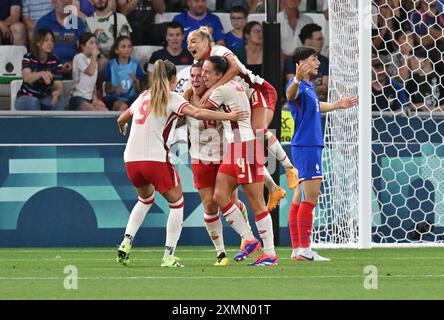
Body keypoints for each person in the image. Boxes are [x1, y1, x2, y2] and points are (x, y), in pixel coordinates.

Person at [115, 59, 249, 267]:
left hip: (131, 160)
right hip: (155, 159)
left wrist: (123, 125)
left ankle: (126, 243)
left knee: (144, 200)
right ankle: (168, 256)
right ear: (174, 79)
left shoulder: (143, 96)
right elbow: (197, 112)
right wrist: (228, 116)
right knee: (177, 204)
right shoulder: (171, 97)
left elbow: (122, 118)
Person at [187, 27, 298, 212]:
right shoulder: (201, 62)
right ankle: (273, 188)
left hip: (257, 89)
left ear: (206, 42)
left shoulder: (219, 51)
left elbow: (236, 68)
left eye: (193, 41)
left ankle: (289, 168)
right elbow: (195, 83)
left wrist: (214, 88)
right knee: (247, 144)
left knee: (258, 130)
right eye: (188, 41)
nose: (189, 45)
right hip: (240, 99)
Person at [202, 56, 279, 266]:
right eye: (202, 71)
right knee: (219, 195)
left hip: (244, 146)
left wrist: (191, 93)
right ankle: (250, 239)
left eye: (207, 72)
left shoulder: (221, 90)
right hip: (236, 147)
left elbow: (199, 110)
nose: (203, 75)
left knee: (256, 202)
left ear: (219, 75)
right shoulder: (235, 84)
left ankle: (270, 254)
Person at [286, 46, 357, 261]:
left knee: (300, 196)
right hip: (307, 146)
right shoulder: (297, 85)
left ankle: (298, 249)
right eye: (314, 59)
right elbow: (290, 94)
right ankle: (305, 249)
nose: (318, 63)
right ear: (301, 63)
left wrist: (336, 105)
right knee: (312, 196)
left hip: (308, 145)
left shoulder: (308, 87)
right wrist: (297, 79)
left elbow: (316, 106)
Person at [186, 62, 250, 265]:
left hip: (224, 155)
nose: (197, 79)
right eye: (193, 76)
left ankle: (247, 238)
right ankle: (221, 253)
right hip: (200, 158)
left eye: (200, 75)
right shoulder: (185, 98)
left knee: (227, 201)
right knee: (209, 204)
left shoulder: (218, 94)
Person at [15, 28, 65, 111]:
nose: (50, 43)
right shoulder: (28, 58)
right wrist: (41, 74)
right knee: (34, 102)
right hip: (25, 97)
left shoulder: (56, 61)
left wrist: (57, 92)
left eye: (52, 41)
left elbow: (58, 84)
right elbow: (27, 78)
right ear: (38, 43)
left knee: (59, 101)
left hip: (44, 97)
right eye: (46, 40)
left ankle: (56, 124)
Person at [35, 0, 86, 80]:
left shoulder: (78, 23)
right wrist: (55, 65)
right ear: (53, 1)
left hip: (74, 70)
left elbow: (84, 49)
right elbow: (38, 50)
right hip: (49, 69)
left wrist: (73, 63)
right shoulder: (43, 22)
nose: (65, 1)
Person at [283, 23, 329, 102]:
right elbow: (294, 88)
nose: (322, 42)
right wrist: (316, 88)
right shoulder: (291, 60)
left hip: (319, 103)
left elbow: (325, 88)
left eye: (322, 39)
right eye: (319, 39)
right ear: (308, 42)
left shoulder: (324, 60)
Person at [104, 35, 145, 110]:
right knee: (123, 106)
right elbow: (106, 89)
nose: (127, 49)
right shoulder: (111, 65)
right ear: (116, 50)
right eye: (123, 47)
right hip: (114, 99)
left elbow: (139, 90)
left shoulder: (136, 65)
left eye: (129, 46)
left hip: (131, 99)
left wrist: (135, 80)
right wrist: (114, 90)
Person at [69, 32, 108, 111]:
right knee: (93, 113)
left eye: (95, 43)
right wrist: (94, 57)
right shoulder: (78, 57)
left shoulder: (94, 62)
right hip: (77, 97)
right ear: (83, 46)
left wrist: (95, 99)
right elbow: (89, 72)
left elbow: (93, 83)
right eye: (91, 43)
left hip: (90, 98)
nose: (94, 46)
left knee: (105, 112)